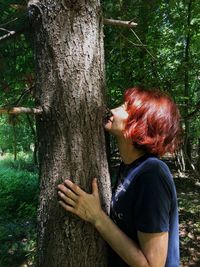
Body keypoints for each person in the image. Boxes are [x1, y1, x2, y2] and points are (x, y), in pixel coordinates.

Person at [57, 86, 182, 267]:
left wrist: (97, 217)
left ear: (140, 125)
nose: (113, 109)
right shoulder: (129, 166)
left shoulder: (152, 175)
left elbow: (152, 265)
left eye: (125, 107)